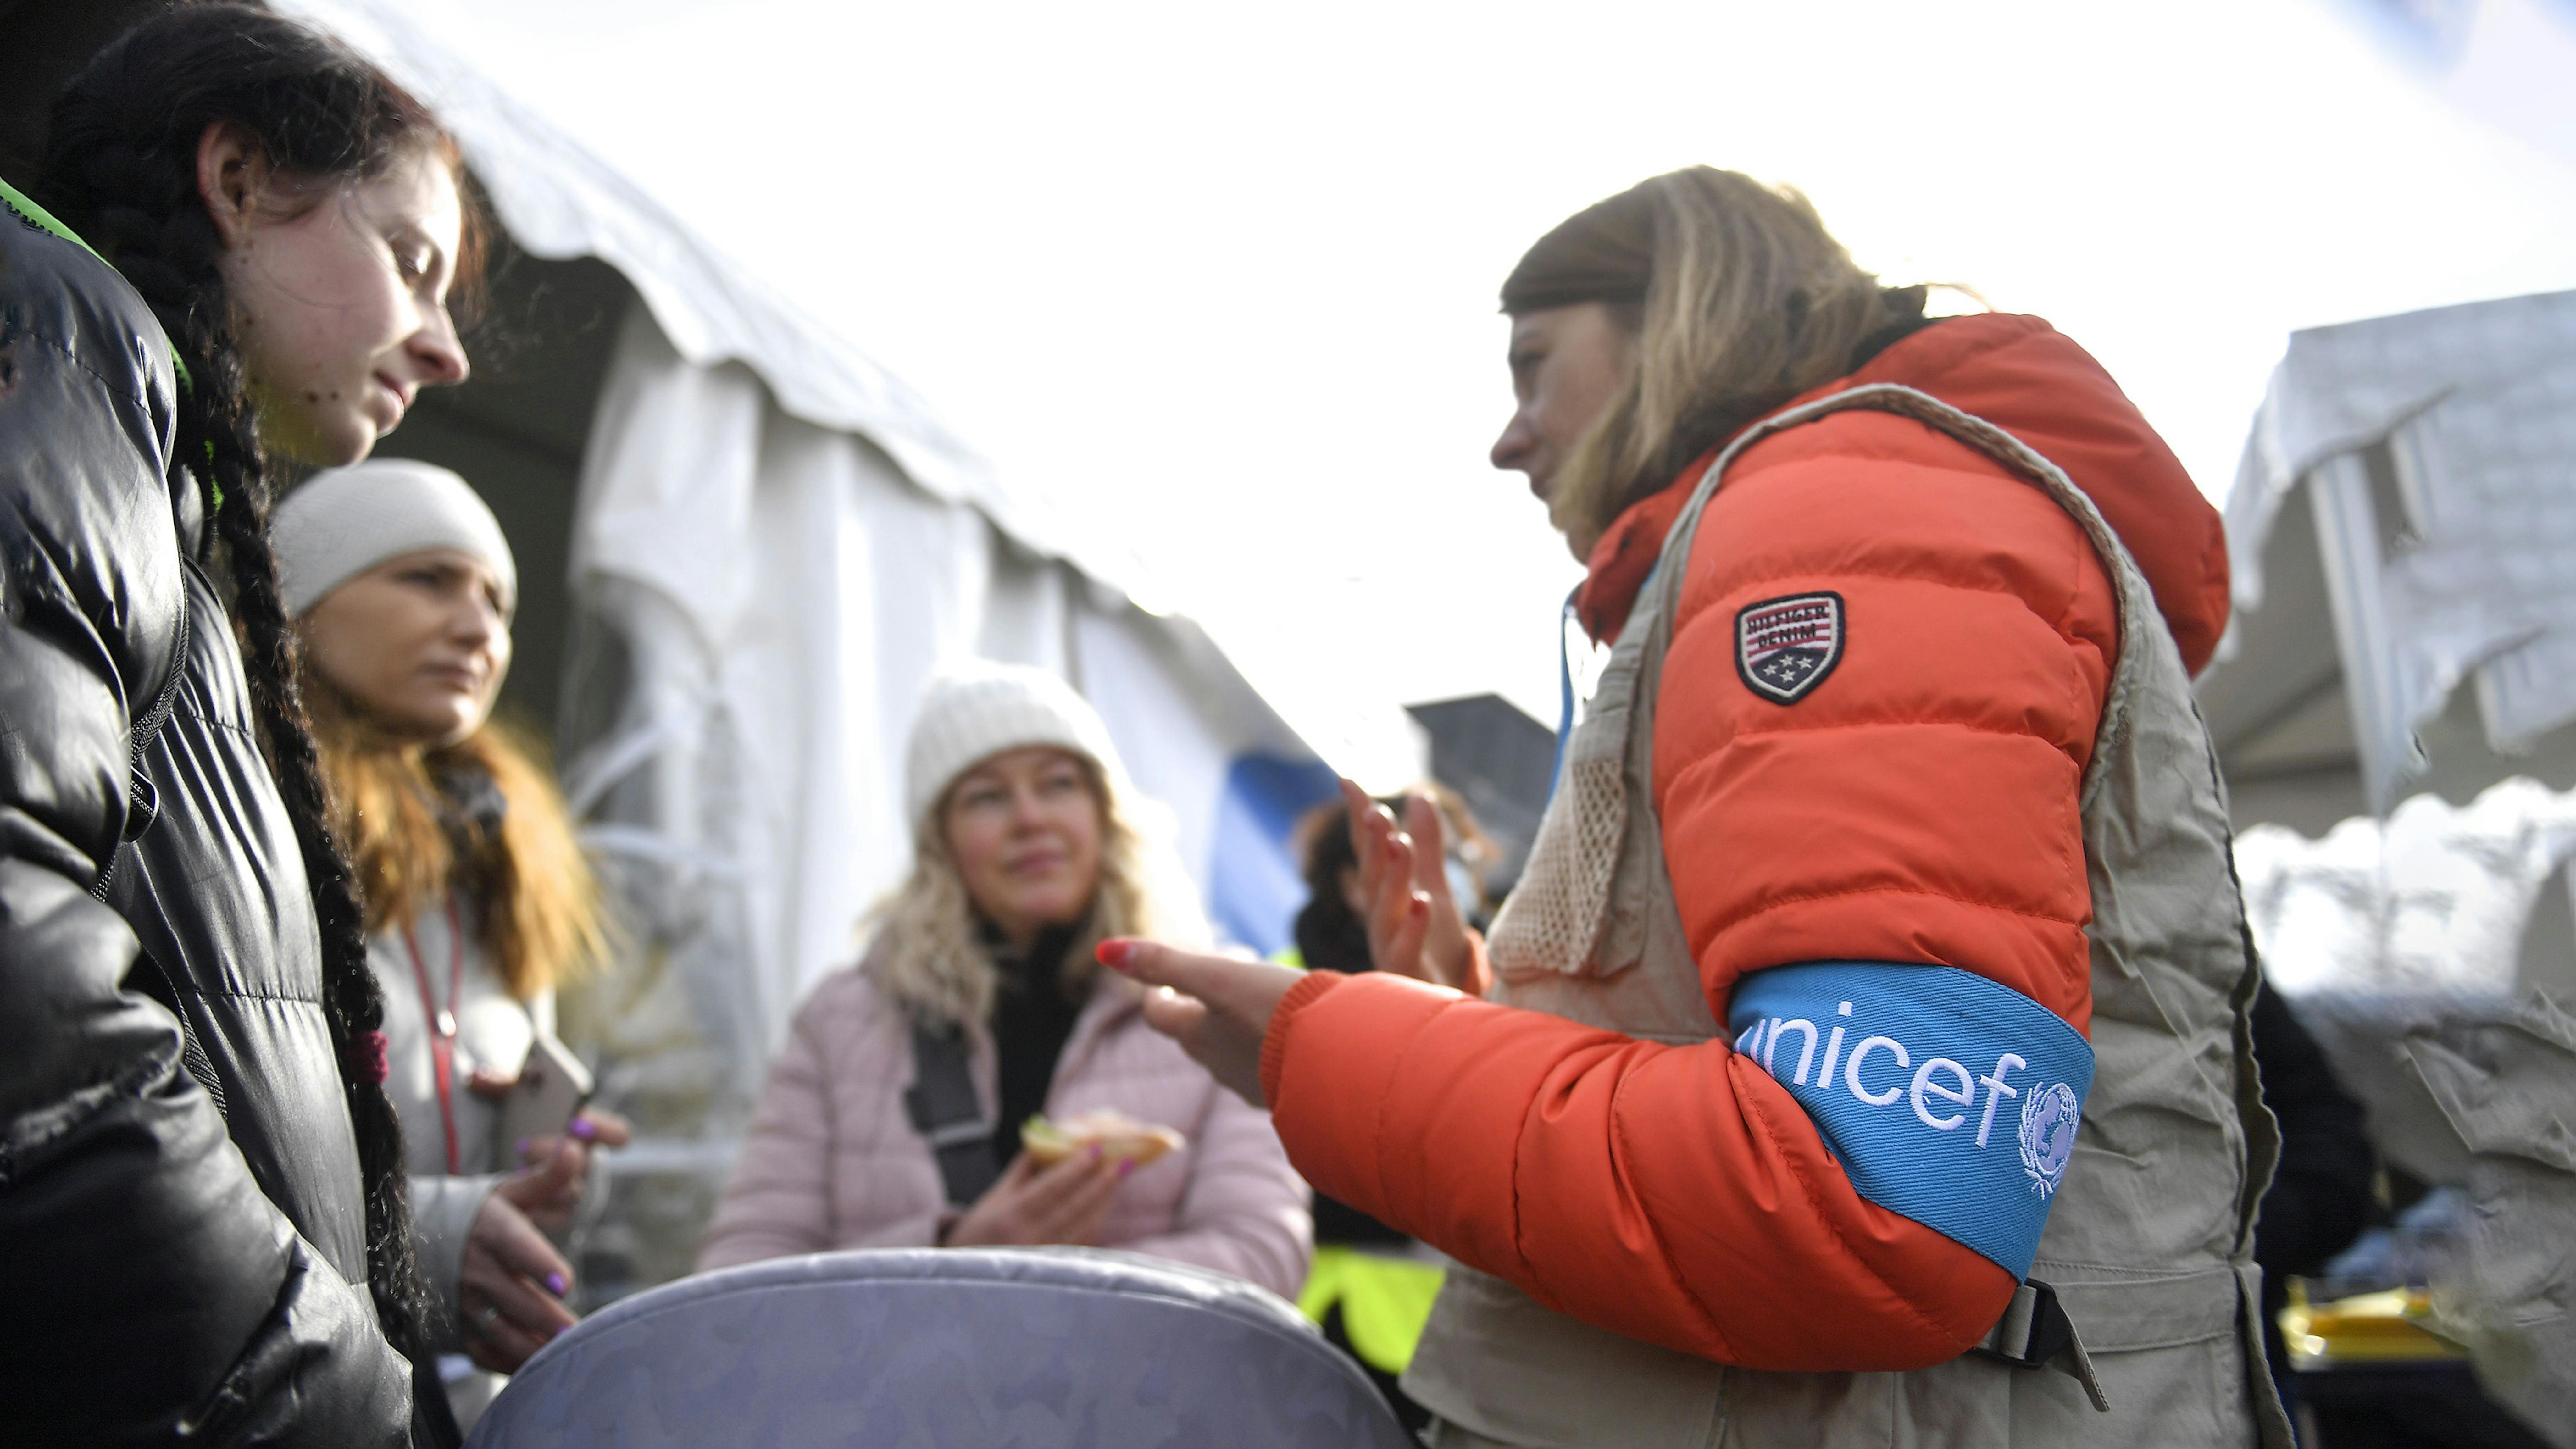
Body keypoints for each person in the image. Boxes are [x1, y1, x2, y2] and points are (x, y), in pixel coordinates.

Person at [1101, 167, 2291, 1447]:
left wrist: (1339, 1054)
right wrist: (1478, 1020)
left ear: (1672, 320)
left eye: (1532, 364)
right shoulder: (1848, 521)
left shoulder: (1847, 516)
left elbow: (1870, 1198)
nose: (1507, 437)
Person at [3, 7, 475, 1443]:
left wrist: (413, 1251)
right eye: (414, 261)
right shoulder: (58, 337)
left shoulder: (148, 471)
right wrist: (325, 1389)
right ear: (243, 179)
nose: (448, 350)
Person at [697, 662, 1311, 1299]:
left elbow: (1265, 1255)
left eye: (1058, 784)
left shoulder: (1206, 1005)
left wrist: (1036, 1280)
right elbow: (740, 1273)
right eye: (987, 796)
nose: (1030, 819)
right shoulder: (844, 1019)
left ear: (1106, 814)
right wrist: (953, 1257)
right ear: (940, 841)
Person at [273, 458, 630, 1428]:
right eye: (427, 578)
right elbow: (200, 1145)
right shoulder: (244, 822)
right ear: (299, 598)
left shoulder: (506, 862)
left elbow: (482, 1173)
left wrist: (542, 1189)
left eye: (498, 602)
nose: (480, 629)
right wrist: (430, 1236)